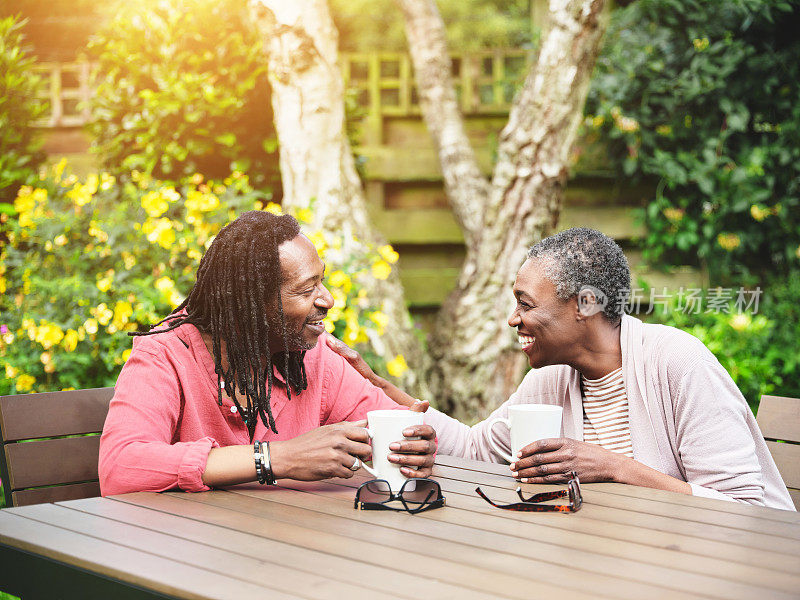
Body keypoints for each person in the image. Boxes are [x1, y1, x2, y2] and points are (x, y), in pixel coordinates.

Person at [329, 228, 795, 510]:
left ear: (586, 304)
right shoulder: (552, 378)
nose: (513, 319)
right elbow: (476, 449)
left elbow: (740, 509)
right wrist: (383, 390)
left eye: (525, 304)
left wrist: (611, 467)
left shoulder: (679, 361)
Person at [99, 211, 436, 495]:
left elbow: (388, 427)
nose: (328, 299)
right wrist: (275, 458)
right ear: (250, 308)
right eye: (307, 289)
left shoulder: (314, 358)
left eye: (322, 281)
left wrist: (412, 447)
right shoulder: (165, 355)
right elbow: (120, 466)